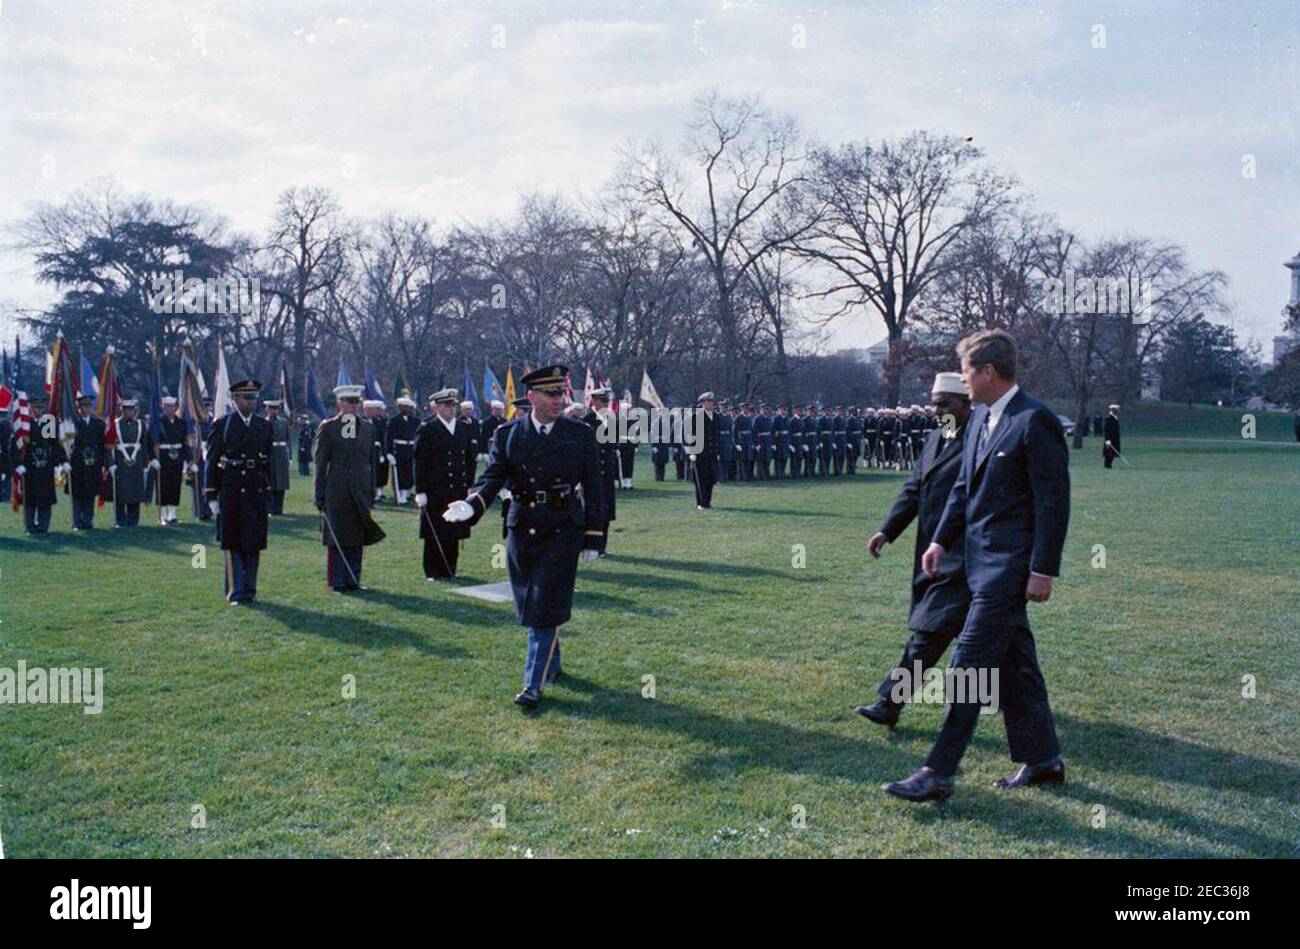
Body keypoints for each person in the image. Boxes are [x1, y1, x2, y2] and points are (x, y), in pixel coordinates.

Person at [885, 329, 1070, 802]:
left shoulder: (1034, 421)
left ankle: (938, 771)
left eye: (967, 370)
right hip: (974, 566)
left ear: (988, 371)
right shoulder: (982, 421)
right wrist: (940, 541)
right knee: (1016, 666)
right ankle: (1044, 759)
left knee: (968, 666)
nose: (963, 379)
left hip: (1008, 571)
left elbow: (1053, 502)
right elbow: (964, 490)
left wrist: (1043, 569)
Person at [443, 365, 604, 710]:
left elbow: (595, 486)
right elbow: (493, 477)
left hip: (563, 527)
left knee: (544, 601)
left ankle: (532, 685)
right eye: (550, 394)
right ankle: (552, 664)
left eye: (561, 393)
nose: (559, 400)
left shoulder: (579, 434)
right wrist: (472, 505)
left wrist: (594, 535)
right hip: (523, 526)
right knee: (535, 602)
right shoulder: (508, 435)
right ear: (531, 398)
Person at [855, 373, 973, 728]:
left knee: (929, 631)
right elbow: (913, 489)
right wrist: (887, 530)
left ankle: (889, 702)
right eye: (934, 403)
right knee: (1008, 648)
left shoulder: (979, 442)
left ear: (966, 404)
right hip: (935, 553)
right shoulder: (936, 438)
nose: (937, 410)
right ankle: (1023, 708)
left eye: (945, 403)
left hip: (965, 556)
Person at [205, 380, 273, 605]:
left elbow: (268, 462)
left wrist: (270, 491)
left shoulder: (263, 425)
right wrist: (212, 495)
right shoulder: (223, 424)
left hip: (255, 488)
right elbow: (212, 460)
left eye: (254, 398)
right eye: (246, 398)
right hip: (232, 488)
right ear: (235, 400)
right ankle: (235, 591)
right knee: (233, 543)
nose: (251, 403)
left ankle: (250, 590)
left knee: (253, 542)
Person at [315, 385, 386, 592]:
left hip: (361, 489)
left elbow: (370, 463)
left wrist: (371, 489)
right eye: (349, 401)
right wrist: (319, 495)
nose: (354, 406)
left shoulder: (368, 427)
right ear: (340, 403)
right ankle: (338, 580)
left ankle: (353, 579)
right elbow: (321, 464)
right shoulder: (329, 427)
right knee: (338, 536)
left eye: (357, 402)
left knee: (356, 536)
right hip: (337, 489)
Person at [414, 388, 477, 579]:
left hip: (456, 488)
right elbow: (420, 461)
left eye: (453, 405)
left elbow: (469, 459)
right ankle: (432, 571)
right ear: (435, 408)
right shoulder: (427, 428)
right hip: (435, 489)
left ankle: (450, 569)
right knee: (434, 531)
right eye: (447, 405)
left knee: (453, 531)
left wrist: (469, 485)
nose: (451, 409)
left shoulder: (462, 427)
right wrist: (421, 491)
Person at [14, 394, 59, 534]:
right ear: (30, 408)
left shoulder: (48, 422)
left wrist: (56, 462)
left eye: (41, 407)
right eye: (35, 408)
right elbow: (16, 446)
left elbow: (53, 444)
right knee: (30, 498)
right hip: (30, 467)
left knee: (45, 496)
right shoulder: (24, 423)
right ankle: (30, 526)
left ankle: (43, 526)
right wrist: (18, 464)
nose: (39, 410)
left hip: (45, 466)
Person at [584, 388, 618, 555]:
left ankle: (602, 547)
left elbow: (612, 449)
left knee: (606, 512)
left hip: (607, 475)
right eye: (603, 401)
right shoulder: (587, 421)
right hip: (592, 475)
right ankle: (590, 546)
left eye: (607, 401)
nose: (606, 404)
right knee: (592, 512)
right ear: (595, 402)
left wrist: (617, 474)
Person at [68, 393, 107, 530]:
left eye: (89, 405)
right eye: (84, 406)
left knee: (90, 492)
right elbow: (68, 443)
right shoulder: (73, 423)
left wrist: (103, 463)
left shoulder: (98, 423)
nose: (87, 408)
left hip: (93, 460)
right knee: (77, 492)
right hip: (78, 460)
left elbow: (102, 444)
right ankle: (77, 521)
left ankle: (88, 520)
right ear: (79, 407)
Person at [110, 398, 149, 528]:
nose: (129, 412)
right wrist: (111, 463)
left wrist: (145, 463)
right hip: (121, 461)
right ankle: (120, 520)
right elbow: (110, 445)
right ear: (122, 410)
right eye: (126, 410)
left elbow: (144, 444)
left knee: (135, 491)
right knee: (121, 491)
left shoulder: (140, 424)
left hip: (136, 461)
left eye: (131, 410)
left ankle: (133, 520)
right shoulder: (115, 424)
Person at [153, 396, 189, 525]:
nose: (170, 409)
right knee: (163, 486)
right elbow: (151, 441)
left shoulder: (181, 422)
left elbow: (185, 442)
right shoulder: (158, 422)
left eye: (172, 406)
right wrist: (153, 458)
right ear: (163, 407)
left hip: (177, 456)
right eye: (167, 406)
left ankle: (172, 515)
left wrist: (189, 460)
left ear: (176, 407)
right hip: (162, 456)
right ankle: (163, 516)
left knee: (175, 486)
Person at [387, 395, 421, 504]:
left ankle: (407, 493)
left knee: (410, 472)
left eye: (407, 407)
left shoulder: (415, 421)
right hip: (399, 448)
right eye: (402, 407)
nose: (405, 409)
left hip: (411, 448)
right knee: (400, 472)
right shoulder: (394, 421)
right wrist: (389, 452)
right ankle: (400, 494)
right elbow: (388, 438)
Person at [691, 391, 720, 509]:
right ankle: (700, 502)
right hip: (700, 452)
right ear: (702, 403)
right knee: (701, 478)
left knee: (711, 478)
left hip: (712, 452)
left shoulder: (717, 417)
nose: (711, 404)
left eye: (712, 401)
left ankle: (707, 501)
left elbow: (717, 436)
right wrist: (691, 451)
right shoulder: (696, 416)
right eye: (708, 401)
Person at [264, 399, 291, 515]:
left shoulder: (283, 422)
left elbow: (288, 439)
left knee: (281, 482)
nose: (273, 411)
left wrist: (289, 457)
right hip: (269, 453)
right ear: (267, 409)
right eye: (271, 409)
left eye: (275, 409)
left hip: (281, 454)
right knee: (270, 481)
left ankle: (279, 508)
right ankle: (270, 508)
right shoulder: (263, 423)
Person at [1103, 403, 1121, 469]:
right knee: (1108, 453)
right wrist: (1107, 439)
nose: (1118, 411)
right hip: (1110, 439)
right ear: (1113, 410)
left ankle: (1109, 465)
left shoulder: (1115, 418)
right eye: (1116, 410)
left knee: (1112, 453)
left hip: (1115, 439)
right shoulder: (1108, 418)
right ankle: (1107, 465)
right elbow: (1106, 430)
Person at [0, 405, 12, 504]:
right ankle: (6, 496)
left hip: (3, 453)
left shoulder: (3, 425)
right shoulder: (8, 424)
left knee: (6, 476)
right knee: (8, 476)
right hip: (6, 454)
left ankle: (3, 495)